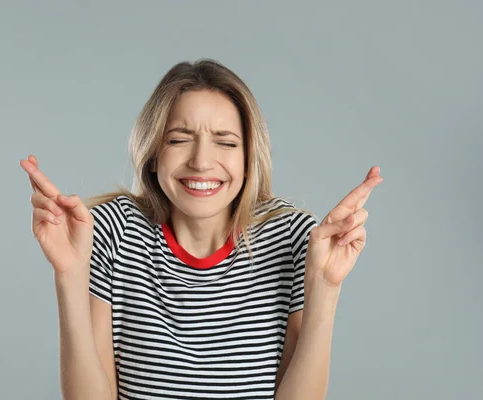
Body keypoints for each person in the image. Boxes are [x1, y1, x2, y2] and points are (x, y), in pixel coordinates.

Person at [20, 58, 383, 400]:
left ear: (248, 159)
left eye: (226, 142)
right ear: (152, 155)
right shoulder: (115, 231)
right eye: (179, 139)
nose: (202, 162)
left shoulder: (290, 237)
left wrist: (326, 287)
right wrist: (69, 274)